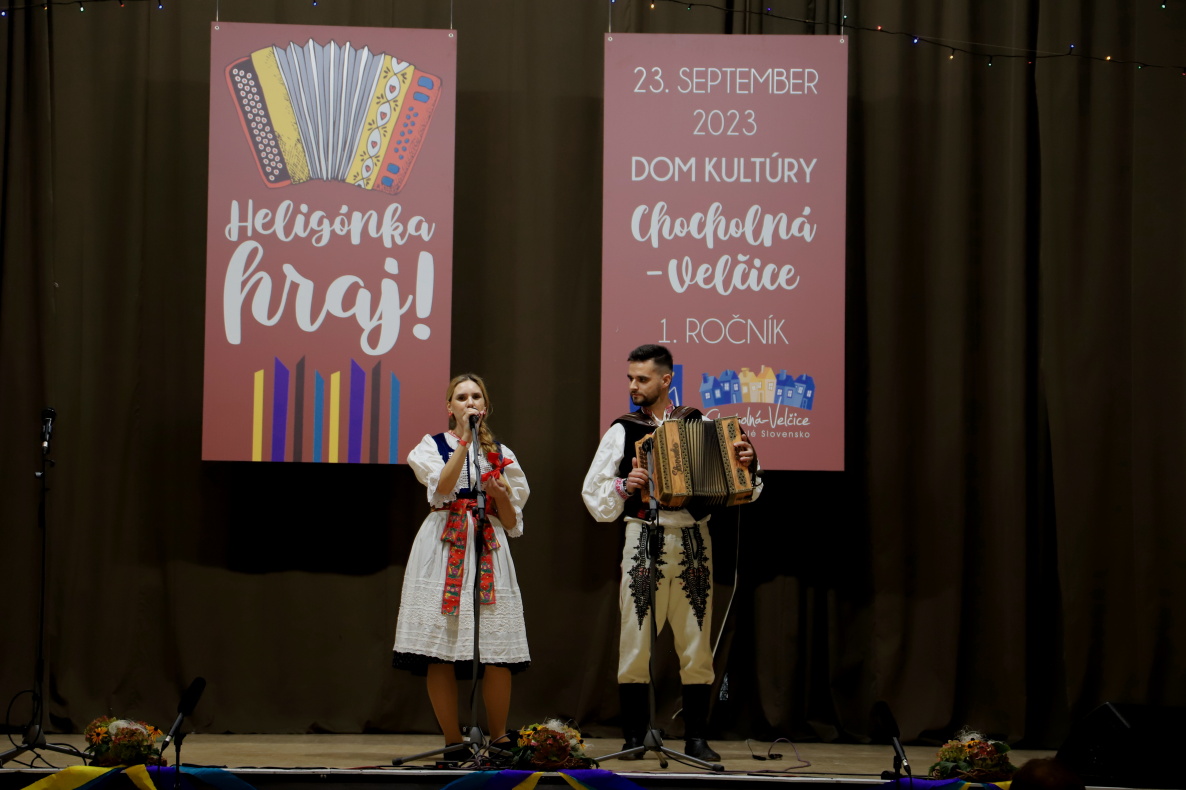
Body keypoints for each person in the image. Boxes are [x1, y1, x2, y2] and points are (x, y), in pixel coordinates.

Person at [581, 344, 760, 762]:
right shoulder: (623, 430)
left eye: (642, 379)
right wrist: (625, 485)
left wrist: (748, 463)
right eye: (630, 378)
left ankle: (696, 737)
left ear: (666, 380)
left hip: (694, 539)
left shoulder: (703, 425)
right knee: (635, 639)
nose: (633, 386)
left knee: (696, 641)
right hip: (643, 536)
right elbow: (593, 492)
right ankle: (633, 736)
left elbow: (749, 486)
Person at [392, 373, 530, 755]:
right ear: (449, 407)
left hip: (488, 546)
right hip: (443, 545)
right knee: (441, 650)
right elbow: (440, 487)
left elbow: (512, 522)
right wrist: (465, 441)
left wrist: (500, 495)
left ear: (485, 406)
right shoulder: (432, 446)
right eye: (462, 397)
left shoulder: (501, 454)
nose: (470, 402)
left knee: (497, 650)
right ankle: (453, 742)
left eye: (476, 397)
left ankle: (499, 738)